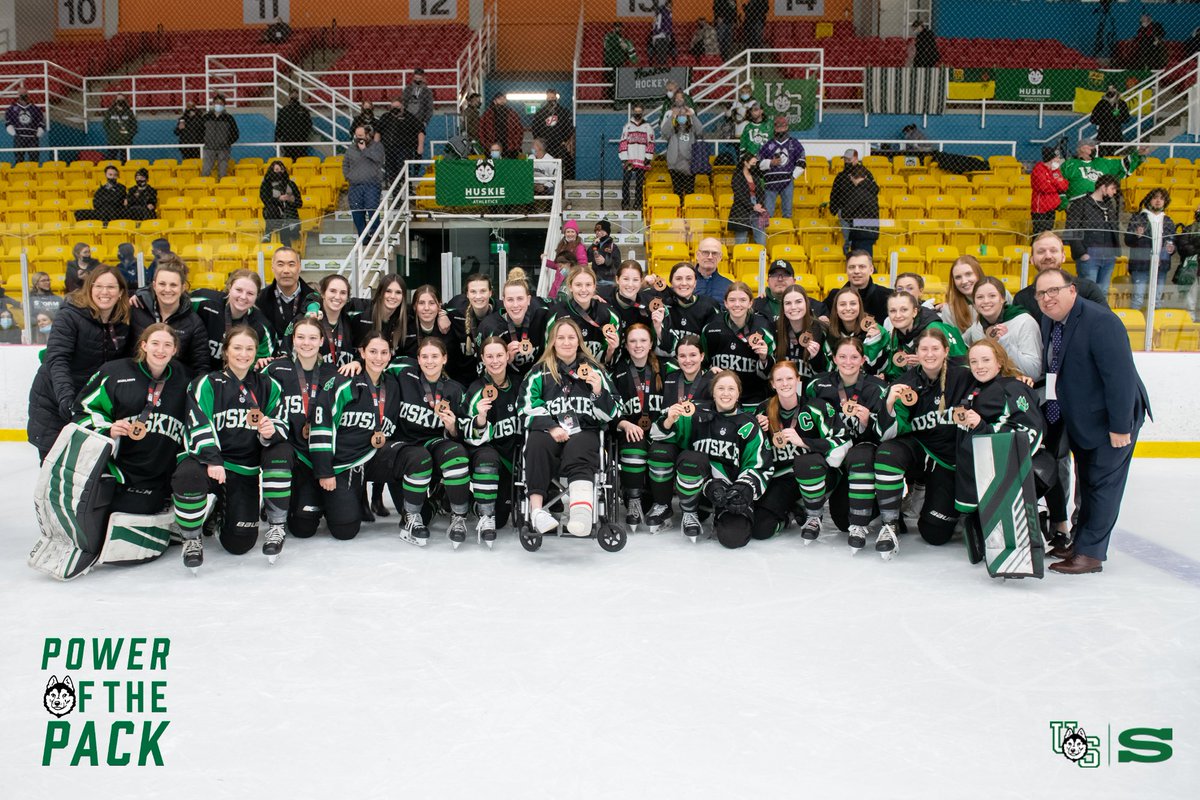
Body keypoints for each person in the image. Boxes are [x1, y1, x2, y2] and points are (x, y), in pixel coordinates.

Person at [1034, 268, 1150, 574]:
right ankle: (1080, 543)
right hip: (1082, 418)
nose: (1047, 298)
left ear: (1072, 290)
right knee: (1088, 483)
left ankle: (1091, 554)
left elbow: (1120, 380)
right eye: (1041, 294)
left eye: (1053, 291)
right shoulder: (1052, 320)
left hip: (1111, 418)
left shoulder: (1101, 322)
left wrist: (1120, 427)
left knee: (1103, 488)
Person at [171, 326, 293, 571]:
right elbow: (197, 422)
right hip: (208, 463)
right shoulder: (206, 383)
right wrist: (212, 460)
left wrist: (271, 431)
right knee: (187, 475)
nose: (244, 354)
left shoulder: (269, 385)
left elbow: (281, 420)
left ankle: (220, 515)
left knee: (240, 543)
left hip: (243, 467)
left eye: (249, 349)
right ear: (226, 351)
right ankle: (191, 537)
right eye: (237, 348)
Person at [873, 328, 973, 560]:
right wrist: (889, 402)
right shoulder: (906, 382)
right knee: (887, 452)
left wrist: (1017, 377)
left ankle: (944, 501)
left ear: (946, 351)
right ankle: (890, 523)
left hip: (949, 463)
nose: (929, 354)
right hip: (921, 453)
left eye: (935, 348)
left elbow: (993, 379)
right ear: (916, 352)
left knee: (934, 534)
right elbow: (887, 434)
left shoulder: (963, 376)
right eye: (924, 349)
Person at [289, 325, 393, 541]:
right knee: (302, 528)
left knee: (345, 530)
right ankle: (315, 495)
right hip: (331, 464)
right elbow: (322, 426)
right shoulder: (343, 382)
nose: (378, 357)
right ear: (362, 353)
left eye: (384, 352)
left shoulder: (392, 382)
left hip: (356, 463)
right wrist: (325, 471)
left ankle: (336, 501)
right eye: (373, 351)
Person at [74, 323, 190, 517]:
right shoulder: (114, 373)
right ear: (144, 345)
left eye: (167, 345)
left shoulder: (184, 378)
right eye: (155, 343)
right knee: (95, 506)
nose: (160, 350)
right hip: (118, 470)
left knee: (144, 506)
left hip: (159, 474)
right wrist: (108, 429)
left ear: (175, 349)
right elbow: (81, 410)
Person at [520, 318, 620, 537]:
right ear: (552, 342)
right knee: (535, 443)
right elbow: (525, 407)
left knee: (581, 444)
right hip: (550, 431)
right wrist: (550, 426)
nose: (566, 342)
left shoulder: (595, 370)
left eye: (571, 337)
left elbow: (614, 411)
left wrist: (598, 392)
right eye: (560, 337)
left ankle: (581, 514)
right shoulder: (539, 372)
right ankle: (537, 512)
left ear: (579, 341)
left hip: (584, 430)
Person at [652, 369, 769, 546]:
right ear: (713, 392)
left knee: (733, 538)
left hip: (729, 492)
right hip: (700, 486)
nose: (726, 393)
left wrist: (743, 490)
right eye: (721, 388)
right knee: (685, 456)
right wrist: (669, 420)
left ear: (738, 393)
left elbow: (760, 465)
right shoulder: (694, 412)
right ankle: (690, 512)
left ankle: (718, 514)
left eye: (731, 389)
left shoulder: (748, 424)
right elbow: (657, 436)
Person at [27, 266, 131, 462]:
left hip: (90, 405)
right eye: (98, 286)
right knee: (55, 469)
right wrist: (67, 399)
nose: (104, 292)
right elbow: (57, 359)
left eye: (111, 287)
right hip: (54, 400)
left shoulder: (122, 322)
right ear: (89, 289)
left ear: (120, 293)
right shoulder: (70, 315)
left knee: (87, 470)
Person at [951, 339, 1048, 543]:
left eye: (986, 360)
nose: (980, 366)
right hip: (975, 476)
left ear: (999, 362)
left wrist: (982, 427)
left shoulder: (1012, 387)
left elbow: (1027, 430)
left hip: (1001, 479)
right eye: (974, 361)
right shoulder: (974, 388)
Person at [806, 338, 891, 547]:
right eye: (842, 356)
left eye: (854, 357)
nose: (848, 362)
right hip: (833, 454)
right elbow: (807, 421)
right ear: (834, 359)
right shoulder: (817, 384)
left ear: (863, 360)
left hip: (861, 456)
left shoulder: (877, 388)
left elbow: (887, 432)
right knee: (841, 519)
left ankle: (876, 503)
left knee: (846, 520)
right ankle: (808, 508)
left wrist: (868, 421)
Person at [753, 360, 847, 543]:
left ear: (798, 379)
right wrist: (756, 430)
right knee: (760, 528)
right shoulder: (763, 410)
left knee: (805, 463)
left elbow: (842, 440)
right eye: (779, 380)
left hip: (817, 474)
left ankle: (813, 514)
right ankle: (791, 513)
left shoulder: (816, 407)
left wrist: (804, 442)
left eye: (789, 378)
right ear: (772, 384)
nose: (785, 383)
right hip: (783, 479)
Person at [643, 335, 713, 531]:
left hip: (702, 444)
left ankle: (690, 511)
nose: (687, 360)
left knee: (692, 460)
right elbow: (663, 422)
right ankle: (663, 505)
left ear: (702, 356)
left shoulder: (714, 380)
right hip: (676, 439)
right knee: (658, 451)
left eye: (692, 355)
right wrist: (669, 419)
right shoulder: (671, 379)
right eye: (682, 356)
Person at [462, 336, 524, 539]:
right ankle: (468, 502)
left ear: (508, 356)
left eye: (499, 355)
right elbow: (467, 434)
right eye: (489, 356)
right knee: (496, 520)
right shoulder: (475, 389)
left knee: (502, 518)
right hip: (489, 456)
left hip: (514, 457)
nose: (495, 361)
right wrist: (480, 418)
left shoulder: (519, 384)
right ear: (482, 358)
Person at [610, 323, 665, 530]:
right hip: (631, 434)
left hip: (660, 433)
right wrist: (623, 423)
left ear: (651, 343)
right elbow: (609, 405)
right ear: (625, 344)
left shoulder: (666, 368)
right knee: (635, 442)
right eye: (633, 341)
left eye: (643, 340)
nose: (638, 345)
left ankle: (661, 501)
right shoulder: (618, 371)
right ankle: (633, 499)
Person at [128, 253, 209, 374]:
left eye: (173, 285)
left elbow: (201, 366)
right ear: (154, 286)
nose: (167, 289)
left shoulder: (194, 323)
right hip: (137, 381)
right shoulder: (136, 309)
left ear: (183, 287)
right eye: (162, 284)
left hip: (174, 385)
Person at [701, 281, 775, 406]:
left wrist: (764, 358)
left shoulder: (763, 327)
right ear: (725, 303)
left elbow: (770, 374)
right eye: (732, 300)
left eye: (742, 300)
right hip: (720, 400)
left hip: (753, 401)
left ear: (750, 303)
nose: (737, 304)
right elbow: (703, 361)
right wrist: (708, 371)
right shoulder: (711, 327)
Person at [1013, 232, 1109, 322]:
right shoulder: (1021, 299)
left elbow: (1107, 323)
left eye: (1053, 251)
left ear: (1063, 257)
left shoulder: (1088, 290)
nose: (1048, 256)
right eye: (1041, 252)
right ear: (1032, 260)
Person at [193, 269, 274, 370]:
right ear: (229, 288)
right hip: (194, 372)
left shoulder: (262, 327)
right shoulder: (202, 301)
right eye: (239, 290)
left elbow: (261, 366)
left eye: (250, 293)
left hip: (234, 381)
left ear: (257, 296)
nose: (243, 297)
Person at [963, 277, 1042, 379]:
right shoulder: (977, 326)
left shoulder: (1024, 322)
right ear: (974, 303)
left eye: (992, 296)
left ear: (1002, 299)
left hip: (1016, 389)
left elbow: (1033, 372)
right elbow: (959, 344)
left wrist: (1006, 343)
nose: (986, 301)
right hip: (987, 388)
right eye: (980, 297)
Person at [879, 290, 966, 381]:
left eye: (904, 310)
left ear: (914, 312)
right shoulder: (896, 334)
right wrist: (886, 378)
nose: (898, 315)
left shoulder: (935, 329)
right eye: (892, 311)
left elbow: (960, 364)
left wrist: (928, 361)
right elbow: (897, 372)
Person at [477, 268, 549, 377]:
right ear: (504, 301)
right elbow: (482, 373)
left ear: (529, 299)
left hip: (539, 380)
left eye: (520, 299)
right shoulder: (489, 327)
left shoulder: (541, 312)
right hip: (508, 385)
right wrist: (505, 360)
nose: (515, 305)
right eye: (510, 300)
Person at [549, 265, 622, 365]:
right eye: (578, 285)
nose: (583, 290)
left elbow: (609, 363)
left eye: (588, 285)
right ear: (570, 287)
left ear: (594, 286)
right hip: (563, 375)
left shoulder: (608, 314)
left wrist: (611, 349)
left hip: (596, 374)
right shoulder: (556, 314)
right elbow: (548, 354)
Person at [284, 274, 359, 368]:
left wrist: (358, 362)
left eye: (343, 293)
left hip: (343, 381)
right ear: (323, 293)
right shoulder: (304, 319)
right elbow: (285, 353)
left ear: (347, 297)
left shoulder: (350, 320)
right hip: (311, 381)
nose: (337, 296)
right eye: (332, 291)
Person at [1065, 174, 1121, 294]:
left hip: (1108, 256)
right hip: (1089, 256)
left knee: (1103, 292)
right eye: (1112, 188)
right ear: (1103, 187)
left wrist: (1115, 252)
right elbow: (1070, 230)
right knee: (1087, 292)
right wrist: (1082, 253)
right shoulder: (1081, 204)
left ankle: (1100, 313)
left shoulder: (1109, 206)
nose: (1114, 192)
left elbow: (1114, 229)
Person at [1125, 187, 1177, 311]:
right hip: (1140, 265)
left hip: (1161, 266)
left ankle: (1154, 329)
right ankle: (1134, 327)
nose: (1158, 201)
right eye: (1155, 198)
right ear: (1149, 200)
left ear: (1165, 202)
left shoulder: (1168, 221)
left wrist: (1171, 249)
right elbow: (1128, 241)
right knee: (1137, 299)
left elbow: (1173, 243)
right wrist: (1136, 235)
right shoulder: (1137, 218)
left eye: (1161, 198)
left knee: (1157, 301)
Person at [654, 262, 720, 354]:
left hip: (696, 363)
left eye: (689, 278)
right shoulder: (661, 304)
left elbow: (714, 343)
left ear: (695, 283)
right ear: (671, 283)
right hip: (667, 364)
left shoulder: (709, 306)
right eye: (678, 279)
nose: (684, 283)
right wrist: (645, 284)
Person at [443, 272, 495, 385]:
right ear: (467, 294)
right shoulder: (455, 307)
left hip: (490, 378)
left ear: (490, 292)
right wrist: (441, 316)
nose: (478, 296)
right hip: (460, 379)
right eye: (473, 292)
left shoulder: (500, 311)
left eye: (483, 291)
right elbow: (436, 308)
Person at [1060, 139, 1146, 205]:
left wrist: (1137, 155)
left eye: (1095, 146)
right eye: (1092, 146)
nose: (1095, 148)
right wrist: (1065, 203)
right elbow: (1059, 185)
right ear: (1082, 148)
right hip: (1077, 204)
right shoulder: (1069, 164)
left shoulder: (1102, 161)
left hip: (1101, 202)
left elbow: (1122, 164)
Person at [772, 284, 829, 381]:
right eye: (788, 303)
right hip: (784, 392)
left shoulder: (822, 330)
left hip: (813, 393)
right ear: (783, 308)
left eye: (798, 302)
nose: (793, 307)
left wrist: (816, 358)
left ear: (806, 304)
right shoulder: (775, 329)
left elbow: (830, 374)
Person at [256, 246, 314, 340]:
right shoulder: (260, 299)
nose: (286, 270)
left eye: (291, 265)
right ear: (272, 268)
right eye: (280, 264)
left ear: (299, 267)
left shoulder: (313, 299)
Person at [756, 116, 806, 222]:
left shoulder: (795, 143)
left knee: (787, 213)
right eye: (778, 127)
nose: (780, 129)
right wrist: (771, 162)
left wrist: (792, 176)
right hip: (770, 182)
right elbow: (758, 163)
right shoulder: (767, 145)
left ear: (787, 127)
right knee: (768, 213)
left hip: (787, 181)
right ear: (774, 128)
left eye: (783, 126)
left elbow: (802, 162)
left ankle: (786, 235)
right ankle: (768, 234)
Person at [821, 250, 891, 321]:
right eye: (852, 267)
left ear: (871, 270)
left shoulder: (886, 297)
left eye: (862, 267)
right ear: (846, 270)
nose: (856, 271)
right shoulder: (834, 296)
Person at [343, 125, 386, 238]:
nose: (358, 138)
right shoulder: (351, 148)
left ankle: (374, 233)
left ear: (368, 135)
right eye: (357, 136)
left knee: (372, 207)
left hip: (372, 184)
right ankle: (363, 236)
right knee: (357, 211)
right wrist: (348, 176)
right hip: (355, 185)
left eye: (361, 135)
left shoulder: (377, 146)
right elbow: (345, 163)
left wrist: (364, 150)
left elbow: (379, 159)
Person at [833, 165, 880, 257]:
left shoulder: (858, 191)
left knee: (862, 260)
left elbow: (846, 213)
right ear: (866, 176)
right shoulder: (872, 190)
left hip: (860, 232)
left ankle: (873, 271)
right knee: (866, 258)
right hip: (872, 229)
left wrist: (853, 221)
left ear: (851, 177)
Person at [377, 98, 426, 186]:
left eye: (397, 107)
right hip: (388, 149)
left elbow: (421, 131)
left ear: (402, 106)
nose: (395, 109)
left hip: (404, 149)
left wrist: (420, 146)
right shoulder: (386, 117)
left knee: (404, 171)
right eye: (393, 107)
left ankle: (408, 191)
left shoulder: (409, 117)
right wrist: (375, 147)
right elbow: (378, 132)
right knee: (391, 174)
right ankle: (396, 196)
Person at [530, 90, 575, 181]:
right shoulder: (540, 113)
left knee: (560, 166)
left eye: (553, 97)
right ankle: (546, 183)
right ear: (546, 98)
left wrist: (564, 140)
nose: (551, 100)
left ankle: (559, 183)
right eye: (549, 98)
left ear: (556, 97)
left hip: (559, 144)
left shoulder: (563, 112)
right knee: (544, 165)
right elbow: (535, 128)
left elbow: (569, 128)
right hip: (545, 145)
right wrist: (539, 142)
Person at [662, 94, 700, 201]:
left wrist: (692, 115)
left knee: (689, 191)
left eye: (684, 114)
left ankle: (689, 214)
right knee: (677, 191)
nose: (682, 116)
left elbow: (700, 130)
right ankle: (678, 215)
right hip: (674, 165)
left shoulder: (692, 128)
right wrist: (672, 117)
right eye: (680, 115)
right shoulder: (672, 129)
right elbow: (664, 132)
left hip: (688, 165)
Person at [258, 160, 303, 248]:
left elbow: (300, 203)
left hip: (290, 215)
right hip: (275, 215)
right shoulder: (266, 185)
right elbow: (265, 199)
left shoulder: (291, 184)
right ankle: (268, 234)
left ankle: (288, 251)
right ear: (272, 170)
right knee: (270, 208)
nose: (280, 172)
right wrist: (279, 199)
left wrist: (290, 199)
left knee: (286, 228)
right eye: (277, 170)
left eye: (282, 169)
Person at [618, 104, 654, 211]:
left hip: (641, 159)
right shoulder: (627, 126)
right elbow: (623, 142)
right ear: (633, 112)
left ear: (643, 112)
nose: (637, 113)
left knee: (639, 182)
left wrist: (648, 156)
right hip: (629, 159)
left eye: (639, 111)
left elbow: (651, 142)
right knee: (626, 181)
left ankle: (638, 203)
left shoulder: (648, 127)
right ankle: (625, 203)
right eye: (636, 111)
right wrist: (624, 158)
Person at [728, 151, 766, 246]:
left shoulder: (755, 176)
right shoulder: (737, 177)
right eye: (753, 163)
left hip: (758, 206)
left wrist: (759, 204)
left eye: (755, 163)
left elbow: (761, 192)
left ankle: (762, 257)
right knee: (741, 238)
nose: (755, 165)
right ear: (745, 163)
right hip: (742, 208)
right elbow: (739, 196)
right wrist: (752, 206)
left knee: (761, 235)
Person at [1030, 147, 1068, 235]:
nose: (1059, 160)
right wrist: (1056, 184)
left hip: (1052, 207)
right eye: (1057, 158)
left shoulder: (1055, 170)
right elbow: (1043, 187)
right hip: (1040, 209)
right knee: (1039, 234)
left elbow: (1064, 186)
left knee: (1048, 233)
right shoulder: (1039, 169)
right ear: (1050, 158)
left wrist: (1051, 181)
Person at [200, 94, 240, 179]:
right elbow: (199, 131)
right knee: (205, 171)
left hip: (224, 149)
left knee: (222, 173)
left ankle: (221, 189)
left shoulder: (229, 118)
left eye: (221, 103)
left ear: (224, 105)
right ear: (213, 103)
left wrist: (227, 142)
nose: (218, 105)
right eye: (217, 102)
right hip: (209, 148)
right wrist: (205, 140)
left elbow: (235, 133)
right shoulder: (206, 117)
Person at [478, 94, 524, 160]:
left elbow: (519, 130)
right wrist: (485, 145)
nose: (502, 100)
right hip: (493, 145)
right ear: (494, 101)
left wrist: (516, 145)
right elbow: (481, 130)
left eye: (503, 99)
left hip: (509, 146)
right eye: (499, 99)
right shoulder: (487, 114)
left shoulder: (512, 114)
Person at [1090, 86, 1130, 157]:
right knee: (1101, 154)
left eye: (1113, 89)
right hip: (1103, 133)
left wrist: (1118, 116)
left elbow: (1126, 119)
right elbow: (1093, 119)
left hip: (1116, 133)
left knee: (1113, 154)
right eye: (1110, 89)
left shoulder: (1121, 104)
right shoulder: (1102, 103)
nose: (1111, 91)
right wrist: (1107, 116)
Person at [6, 91, 45, 163]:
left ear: (28, 94)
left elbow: (41, 123)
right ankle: (20, 172)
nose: (23, 95)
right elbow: (8, 123)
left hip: (32, 137)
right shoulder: (11, 109)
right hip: (19, 137)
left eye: (25, 93)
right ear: (18, 95)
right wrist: (15, 134)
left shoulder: (35, 108)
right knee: (19, 159)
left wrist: (37, 134)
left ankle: (33, 172)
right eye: (21, 93)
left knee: (34, 158)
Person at [692, 237, 732, 304]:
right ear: (697, 255)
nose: (710, 257)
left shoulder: (729, 286)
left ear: (720, 257)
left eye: (714, 253)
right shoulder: (684, 284)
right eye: (705, 252)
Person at [274, 91, 313, 161]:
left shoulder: (283, 110)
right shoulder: (303, 110)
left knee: (289, 159)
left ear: (289, 97)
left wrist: (277, 138)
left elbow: (279, 126)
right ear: (298, 97)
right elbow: (309, 125)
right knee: (302, 159)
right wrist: (304, 134)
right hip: (301, 140)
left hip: (288, 140)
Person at [102, 94, 138, 163]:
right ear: (115, 101)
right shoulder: (110, 111)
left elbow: (134, 126)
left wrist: (129, 136)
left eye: (122, 99)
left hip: (125, 141)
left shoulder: (129, 112)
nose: (120, 101)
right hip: (112, 141)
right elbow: (105, 124)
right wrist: (111, 134)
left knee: (124, 161)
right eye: (118, 99)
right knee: (111, 160)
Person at [587, 220, 621, 285]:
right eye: (596, 230)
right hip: (595, 280)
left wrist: (605, 261)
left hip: (609, 281)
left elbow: (617, 264)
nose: (598, 232)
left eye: (601, 230)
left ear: (607, 232)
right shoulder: (595, 245)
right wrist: (593, 245)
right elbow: (588, 258)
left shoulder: (613, 246)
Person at [648, 0, 676, 65]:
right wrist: (665, 33)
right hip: (661, 35)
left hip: (660, 35)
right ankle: (661, 67)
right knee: (662, 54)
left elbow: (656, 25)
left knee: (662, 54)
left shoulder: (665, 12)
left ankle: (661, 66)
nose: (670, 7)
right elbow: (662, 25)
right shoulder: (664, 12)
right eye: (669, 5)